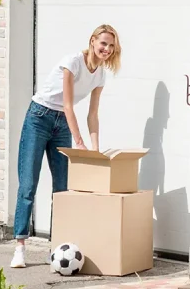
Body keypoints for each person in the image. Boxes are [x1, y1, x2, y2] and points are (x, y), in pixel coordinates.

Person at [10, 24, 121, 268]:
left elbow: (93, 114)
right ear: (92, 41)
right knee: (28, 184)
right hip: (39, 117)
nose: (107, 49)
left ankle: (56, 246)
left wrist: (94, 148)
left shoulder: (101, 74)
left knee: (62, 190)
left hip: (62, 125)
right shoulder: (72, 61)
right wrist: (79, 142)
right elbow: (69, 105)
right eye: (103, 43)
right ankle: (20, 246)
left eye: (111, 46)